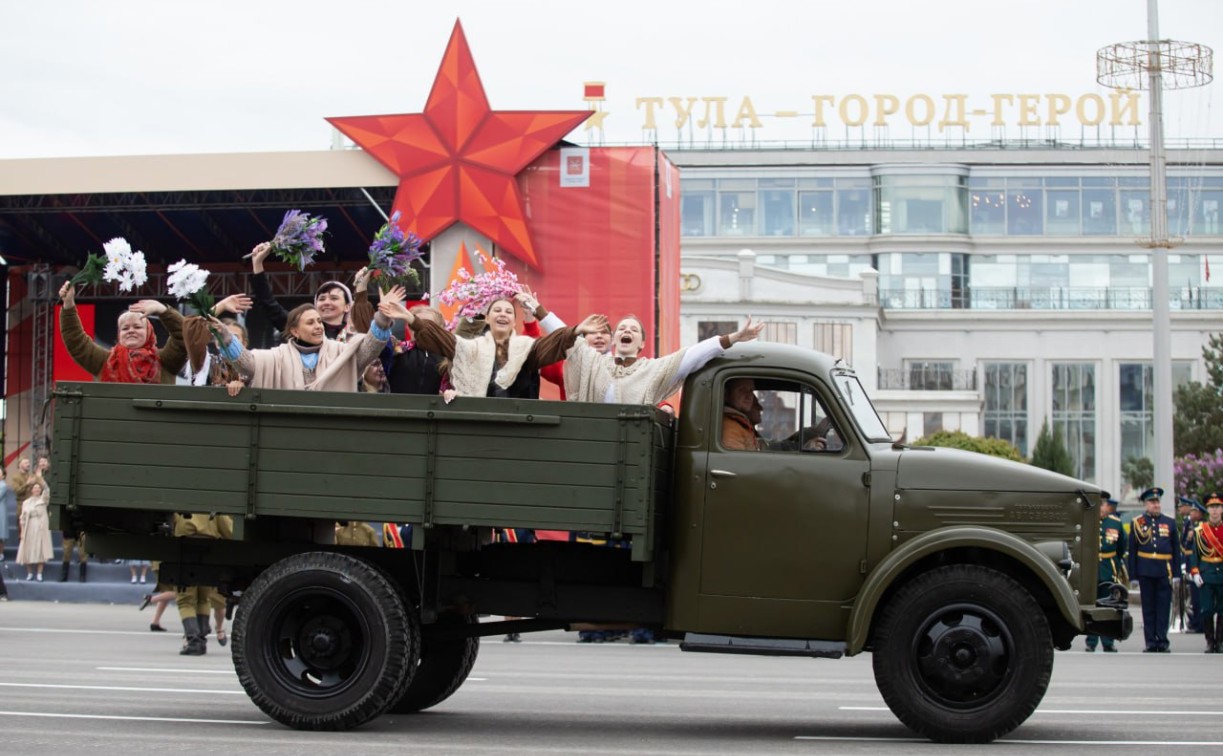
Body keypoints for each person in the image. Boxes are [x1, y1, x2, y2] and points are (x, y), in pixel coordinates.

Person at [380, 294, 600, 400]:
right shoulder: (470, 348)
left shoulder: (527, 349)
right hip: (477, 426)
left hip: (519, 428)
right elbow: (442, 338)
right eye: (497, 310)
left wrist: (576, 330)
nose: (503, 314)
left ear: (515, 322)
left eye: (508, 312)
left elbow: (553, 344)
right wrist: (411, 318)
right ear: (487, 319)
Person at [211, 289, 400, 392]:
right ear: (295, 330)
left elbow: (370, 349)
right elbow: (247, 364)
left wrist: (383, 318)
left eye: (319, 321)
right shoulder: (276, 356)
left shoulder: (342, 352)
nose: (319, 326)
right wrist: (225, 336)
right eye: (310, 323)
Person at [564, 315, 764, 406]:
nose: (627, 331)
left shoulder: (654, 368)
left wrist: (734, 337)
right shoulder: (594, 363)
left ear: (641, 343)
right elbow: (569, 339)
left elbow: (692, 355)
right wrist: (538, 311)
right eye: (622, 329)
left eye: (633, 330)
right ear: (614, 338)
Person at [247, 243, 374, 342]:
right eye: (322, 299)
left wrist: (361, 287)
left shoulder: (356, 333)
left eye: (334, 298)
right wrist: (257, 264)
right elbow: (270, 306)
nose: (326, 302)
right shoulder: (303, 330)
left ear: (347, 306)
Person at [1127, 486, 1180, 652]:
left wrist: (1177, 574)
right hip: (1146, 570)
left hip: (1165, 570)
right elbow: (1132, 551)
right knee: (1148, 608)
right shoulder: (1137, 523)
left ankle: (1162, 640)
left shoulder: (1170, 523)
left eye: (1157, 501)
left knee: (1164, 607)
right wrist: (1133, 576)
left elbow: (1176, 550)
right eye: (1152, 502)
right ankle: (1150, 641)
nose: (1156, 505)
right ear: (1145, 504)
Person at [173, 513, 233, 656]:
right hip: (209, 551)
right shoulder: (215, 504)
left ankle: (193, 641)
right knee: (203, 598)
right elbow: (228, 530)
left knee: (185, 600)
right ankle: (201, 640)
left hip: (185, 548)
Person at [1085, 495, 1127, 652]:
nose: (1102, 508)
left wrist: (1115, 562)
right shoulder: (1089, 521)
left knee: (1109, 606)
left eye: (1104, 505)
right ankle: (1091, 641)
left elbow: (1121, 546)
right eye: (1099, 504)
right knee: (1092, 606)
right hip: (1092, 568)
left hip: (1109, 568)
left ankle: (1108, 642)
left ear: (1108, 507)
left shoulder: (1115, 523)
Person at [1187, 493, 1223, 652]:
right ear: (1207, 510)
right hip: (1206, 573)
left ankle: (1220, 642)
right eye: (1211, 507)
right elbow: (1195, 554)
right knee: (1206, 609)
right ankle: (1210, 641)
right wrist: (1195, 573)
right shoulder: (1200, 531)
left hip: (1222, 574)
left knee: (1222, 610)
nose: (1214, 511)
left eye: (1217, 507)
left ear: (1222, 509)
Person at [16, 479, 51, 581]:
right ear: (32, 490)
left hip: (40, 527)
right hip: (29, 526)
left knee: (40, 550)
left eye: (38, 488)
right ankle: (30, 573)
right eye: (35, 488)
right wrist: (22, 531)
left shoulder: (43, 500)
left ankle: (39, 574)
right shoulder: (26, 502)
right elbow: (22, 518)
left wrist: (42, 481)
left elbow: (47, 491)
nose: (37, 490)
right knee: (27, 550)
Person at [722, 378, 765, 450]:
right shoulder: (730, 426)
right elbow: (735, 459)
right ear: (726, 394)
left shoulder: (740, 424)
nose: (749, 396)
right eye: (742, 390)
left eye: (751, 390)